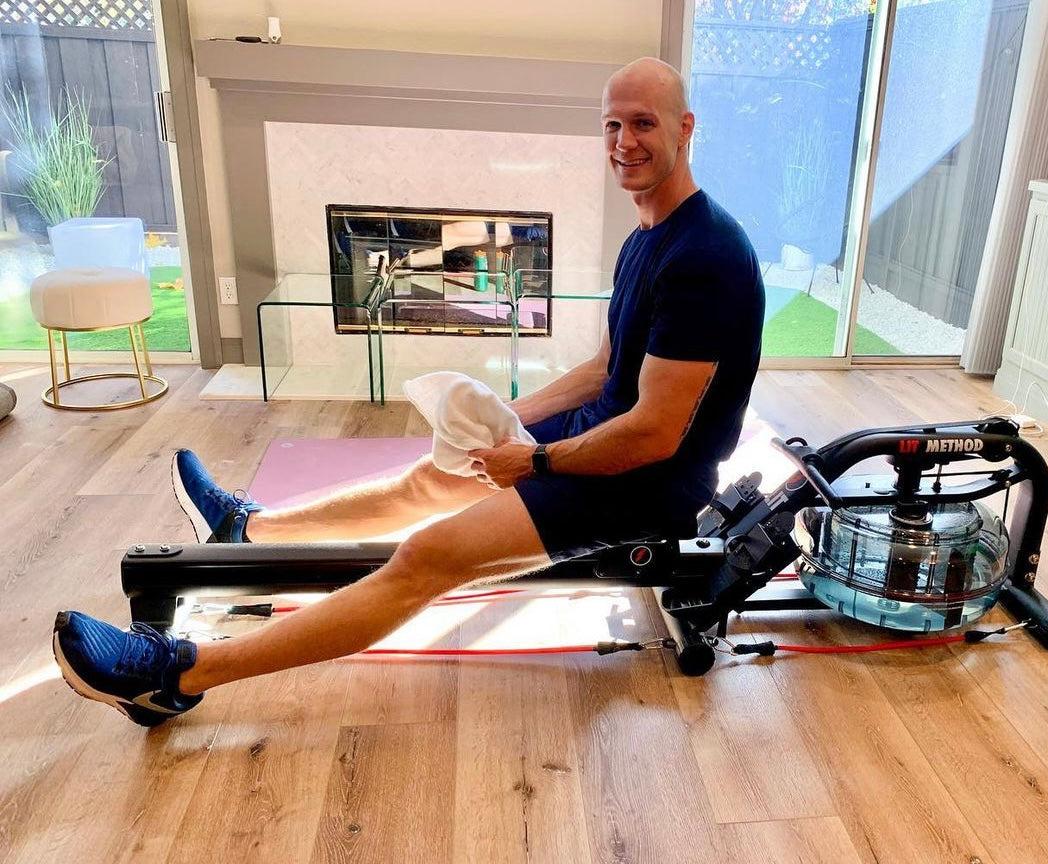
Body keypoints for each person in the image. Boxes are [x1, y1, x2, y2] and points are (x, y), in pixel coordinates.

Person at [51, 57, 766, 727]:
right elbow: (604, 371)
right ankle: (249, 529)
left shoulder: (705, 257)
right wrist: (506, 421)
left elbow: (654, 433)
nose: (623, 140)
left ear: (685, 127)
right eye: (612, 123)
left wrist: (536, 464)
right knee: (437, 475)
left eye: (643, 122)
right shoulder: (647, 233)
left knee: (427, 558)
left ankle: (178, 674)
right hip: (609, 438)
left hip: (647, 481)